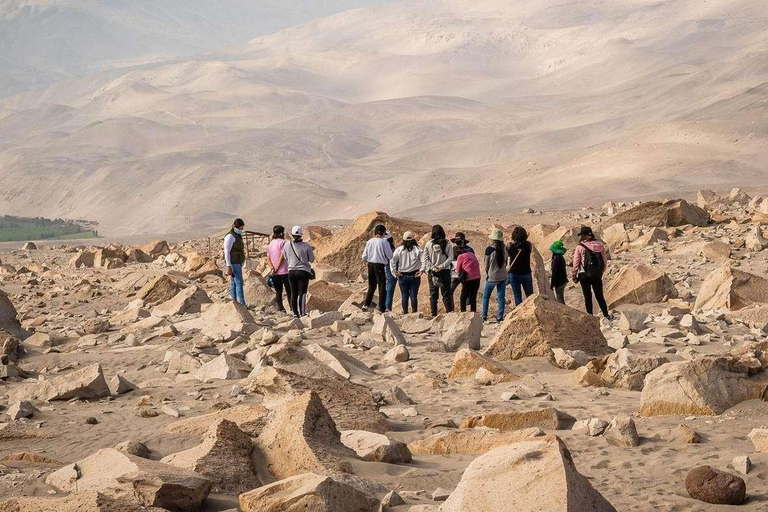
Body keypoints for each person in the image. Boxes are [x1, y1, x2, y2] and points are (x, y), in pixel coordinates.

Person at [572, 226, 611, 319]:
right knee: (599, 296)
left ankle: (590, 316)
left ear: (583, 236)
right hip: (596, 274)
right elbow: (604, 260)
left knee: (587, 296)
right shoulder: (600, 245)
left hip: (584, 274)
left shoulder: (580, 247)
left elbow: (576, 262)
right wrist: (601, 271)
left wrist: (574, 275)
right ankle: (606, 315)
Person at [421, 224, 454, 316]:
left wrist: (433, 267)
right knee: (446, 294)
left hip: (432, 272)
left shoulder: (428, 244)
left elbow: (425, 258)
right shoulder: (447, 243)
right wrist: (441, 266)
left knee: (433, 294)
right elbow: (450, 258)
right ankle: (449, 313)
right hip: (445, 271)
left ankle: (433, 314)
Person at [283, 225, 315, 318]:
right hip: (303, 271)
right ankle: (302, 312)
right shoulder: (306, 245)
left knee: (293, 293)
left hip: (291, 271)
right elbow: (311, 259)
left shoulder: (287, 245)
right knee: (302, 293)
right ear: (301, 234)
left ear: (292, 234)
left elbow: (285, 257)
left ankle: (295, 313)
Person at [361, 224, 393, 312]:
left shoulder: (369, 242)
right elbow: (390, 256)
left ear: (375, 232)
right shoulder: (384, 242)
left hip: (370, 264)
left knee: (371, 286)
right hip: (380, 265)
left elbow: (364, 256)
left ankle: (366, 305)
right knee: (382, 286)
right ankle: (382, 307)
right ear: (383, 233)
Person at [390, 231, 422, 314]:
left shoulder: (399, 250)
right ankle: (415, 313)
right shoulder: (418, 250)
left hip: (402, 275)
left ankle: (405, 313)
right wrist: (421, 270)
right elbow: (424, 261)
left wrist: (394, 271)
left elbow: (392, 261)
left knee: (404, 296)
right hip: (415, 275)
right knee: (413, 296)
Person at [482, 228, 508, 322]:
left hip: (492, 276)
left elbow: (486, 264)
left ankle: (484, 315)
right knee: (501, 297)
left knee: (486, 297)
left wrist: (487, 273)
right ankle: (500, 316)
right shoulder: (504, 248)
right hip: (503, 275)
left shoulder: (489, 249)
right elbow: (506, 261)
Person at [506, 226, 534, 307]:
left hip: (514, 273)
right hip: (526, 273)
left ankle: (520, 310)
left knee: (517, 296)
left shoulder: (510, 246)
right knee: (530, 295)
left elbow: (507, 252)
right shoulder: (528, 245)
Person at [267, 225, 291, 313]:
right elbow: (282, 256)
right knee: (289, 290)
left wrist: (272, 268)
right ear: (281, 233)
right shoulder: (284, 242)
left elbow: (268, 258)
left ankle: (281, 309)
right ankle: (292, 308)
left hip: (274, 272)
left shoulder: (270, 244)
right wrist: (277, 268)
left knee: (278, 291)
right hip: (284, 271)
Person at [223, 218, 246, 306]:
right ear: (234, 227)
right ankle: (241, 303)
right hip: (233, 262)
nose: (241, 230)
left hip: (237, 261)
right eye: (239, 228)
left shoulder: (237, 235)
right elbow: (227, 251)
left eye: (242, 228)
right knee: (239, 282)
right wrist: (228, 265)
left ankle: (234, 302)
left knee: (234, 282)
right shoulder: (230, 236)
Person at [455, 245, 481, 312]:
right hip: (477, 278)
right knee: (473, 297)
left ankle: (463, 313)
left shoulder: (461, 256)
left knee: (463, 297)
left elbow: (457, 270)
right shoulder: (471, 254)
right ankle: (473, 313)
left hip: (469, 278)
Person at [550, 240, 568, 305]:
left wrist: (552, 285)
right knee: (561, 298)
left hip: (559, 282)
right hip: (564, 280)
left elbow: (554, 273)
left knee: (560, 300)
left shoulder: (555, 259)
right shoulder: (561, 257)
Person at [384, 231, 397, 312]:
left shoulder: (381, 250)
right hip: (391, 273)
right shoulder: (393, 250)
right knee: (389, 292)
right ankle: (387, 308)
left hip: (383, 272)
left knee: (384, 291)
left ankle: (383, 307)